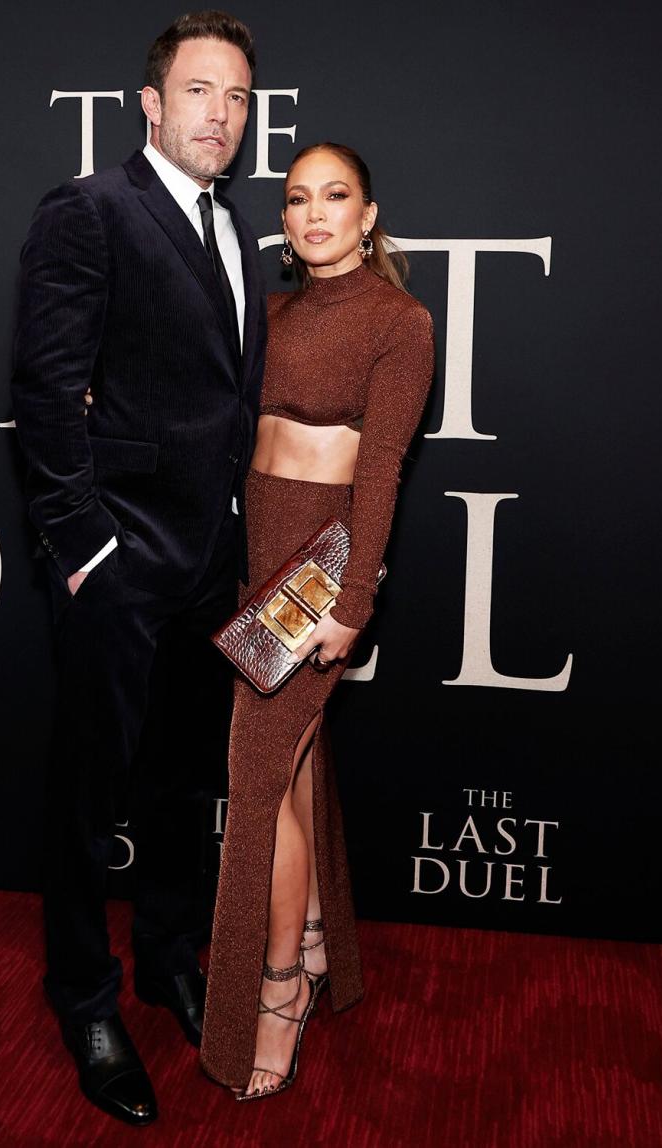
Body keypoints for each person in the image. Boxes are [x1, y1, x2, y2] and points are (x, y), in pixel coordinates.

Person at [10, 11, 266, 1128]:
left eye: (241, 97)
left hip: (212, 559)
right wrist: (85, 554)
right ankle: (83, 993)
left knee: (180, 782)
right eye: (202, 91)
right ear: (152, 105)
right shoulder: (92, 210)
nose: (224, 113)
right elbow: (41, 395)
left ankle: (165, 949)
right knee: (87, 790)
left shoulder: (234, 224)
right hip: (119, 563)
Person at [200, 142, 435, 1099]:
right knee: (293, 769)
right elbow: (204, 406)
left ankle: (279, 989)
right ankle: (314, 939)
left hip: (320, 567)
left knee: (257, 778)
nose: (313, 213)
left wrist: (353, 601)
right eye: (297, 199)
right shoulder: (270, 312)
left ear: (368, 216)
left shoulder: (401, 321)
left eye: (335, 196)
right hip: (255, 552)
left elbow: (380, 474)